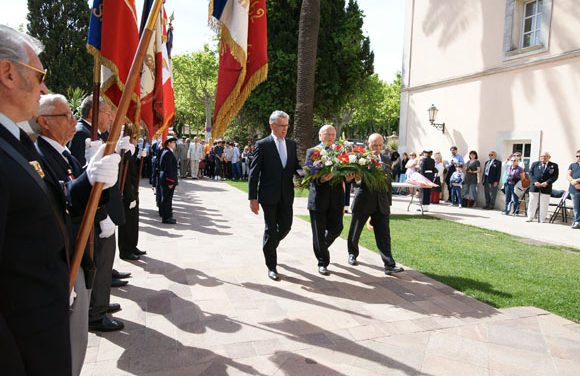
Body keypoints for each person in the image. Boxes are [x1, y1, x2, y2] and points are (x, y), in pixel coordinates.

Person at [0, 25, 118, 375]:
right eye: (39, 75)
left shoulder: (18, 142)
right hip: (23, 348)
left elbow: (53, 203)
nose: (44, 87)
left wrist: (89, 180)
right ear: (8, 73)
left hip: (44, 324)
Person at [69, 97, 128, 332]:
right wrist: (102, 213)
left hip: (103, 210)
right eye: (107, 112)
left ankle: (99, 304)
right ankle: (95, 312)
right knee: (98, 261)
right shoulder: (83, 134)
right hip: (94, 213)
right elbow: (81, 177)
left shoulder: (95, 134)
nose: (111, 117)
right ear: (94, 112)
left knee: (104, 263)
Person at [248, 111, 300, 281]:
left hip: (286, 195)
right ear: (272, 125)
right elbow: (254, 173)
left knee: (286, 226)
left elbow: (295, 167)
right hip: (268, 196)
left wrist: (307, 173)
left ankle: (269, 246)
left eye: (286, 126)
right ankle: (272, 266)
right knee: (270, 228)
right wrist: (252, 198)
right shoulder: (262, 145)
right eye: (281, 126)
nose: (285, 129)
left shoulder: (292, 144)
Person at [347, 134, 404, 275]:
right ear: (368, 144)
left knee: (384, 235)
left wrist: (388, 202)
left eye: (379, 145)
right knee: (355, 231)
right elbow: (355, 182)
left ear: (383, 145)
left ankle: (389, 265)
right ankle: (352, 254)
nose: (377, 148)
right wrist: (358, 179)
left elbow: (388, 183)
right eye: (374, 145)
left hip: (381, 203)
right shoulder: (361, 159)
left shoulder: (386, 160)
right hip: (364, 200)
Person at [306, 125, 354, 276]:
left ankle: (321, 248)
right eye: (327, 134)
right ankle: (322, 262)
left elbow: (346, 174)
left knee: (337, 228)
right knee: (319, 233)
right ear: (320, 135)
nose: (330, 137)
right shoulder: (313, 151)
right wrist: (320, 177)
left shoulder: (341, 152)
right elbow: (307, 175)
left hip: (336, 199)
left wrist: (349, 179)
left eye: (333, 134)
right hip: (319, 198)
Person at [118, 129, 147, 260]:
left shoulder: (131, 151)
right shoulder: (124, 151)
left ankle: (132, 245)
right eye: (135, 138)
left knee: (133, 221)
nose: (137, 141)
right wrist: (129, 196)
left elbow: (134, 171)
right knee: (127, 223)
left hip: (133, 191)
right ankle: (125, 250)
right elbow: (125, 175)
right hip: (127, 192)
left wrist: (140, 158)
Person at [527, 152, 559, 223]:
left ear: (549, 157)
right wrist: (535, 182)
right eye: (542, 156)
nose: (543, 158)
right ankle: (530, 217)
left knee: (544, 203)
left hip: (546, 187)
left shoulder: (554, 165)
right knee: (532, 202)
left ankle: (542, 219)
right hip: (534, 187)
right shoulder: (535, 164)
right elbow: (530, 174)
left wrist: (547, 182)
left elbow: (555, 176)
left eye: (545, 156)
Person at [158, 136, 178, 224]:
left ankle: (167, 216)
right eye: (173, 142)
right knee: (166, 199)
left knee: (167, 198)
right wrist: (170, 181)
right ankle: (166, 217)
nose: (175, 144)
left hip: (167, 178)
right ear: (169, 143)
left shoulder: (168, 152)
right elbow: (168, 168)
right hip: (167, 179)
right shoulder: (167, 153)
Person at [567, 149, 580, 229]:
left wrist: (577, 180)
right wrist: (572, 181)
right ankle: (577, 222)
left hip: (577, 184)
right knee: (576, 207)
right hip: (573, 189)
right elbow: (568, 175)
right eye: (577, 156)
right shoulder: (572, 165)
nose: (578, 157)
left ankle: (577, 221)